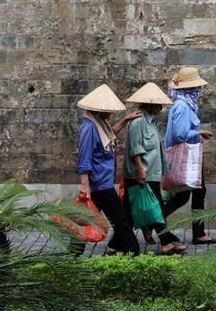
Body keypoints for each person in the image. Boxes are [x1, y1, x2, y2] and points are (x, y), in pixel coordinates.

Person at [122, 82, 188, 255]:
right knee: (151, 208)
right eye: (158, 104)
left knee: (132, 213)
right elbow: (135, 147)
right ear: (150, 104)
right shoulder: (138, 122)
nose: (160, 107)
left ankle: (115, 245)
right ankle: (166, 242)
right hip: (140, 175)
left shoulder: (150, 122)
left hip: (150, 174)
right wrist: (140, 170)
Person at [77, 83, 141, 255]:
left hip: (102, 182)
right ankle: (135, 253)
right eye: (109, 109)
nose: (111, 112)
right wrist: (85, 185)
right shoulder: (89, 127)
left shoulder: (99, 123)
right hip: (99, 183)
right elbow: (84, 157)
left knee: (87, 221)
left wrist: (126, 120)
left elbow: (109, 135)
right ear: (100, 109)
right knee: (121, 222)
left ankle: (72, 254)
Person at [161, 67, 216, 245]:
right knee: (195, 193)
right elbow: (179, 134)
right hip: (186, 156)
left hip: (189, 156)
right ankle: (197, 233)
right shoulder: (182, 107)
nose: (198, 91)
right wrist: (199, 132)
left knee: (185, 195)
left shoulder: (184, 105)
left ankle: (156, 222)